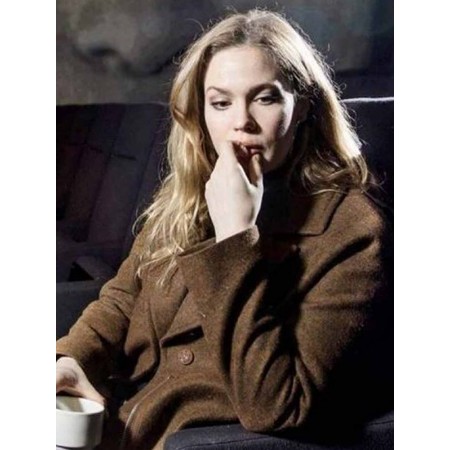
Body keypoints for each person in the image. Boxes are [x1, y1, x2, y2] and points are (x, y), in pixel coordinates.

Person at [56, 9, 393, 450]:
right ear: (201, 113)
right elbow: (123, 298)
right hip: (109, 424)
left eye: (265, 99)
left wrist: (236, 237)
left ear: (303, 107)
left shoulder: (352, 231)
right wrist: (74, 356)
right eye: (221, 103)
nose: (241, 122)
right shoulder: (189, 193)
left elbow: (276, 405)